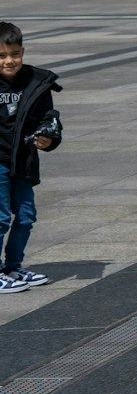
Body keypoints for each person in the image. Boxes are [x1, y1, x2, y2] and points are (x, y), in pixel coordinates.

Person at [0, 24, 62, 295]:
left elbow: (49, 118)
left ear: (23, 51)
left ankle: (13, 267)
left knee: (26, 216)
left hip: (22, 160)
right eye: (1, 56)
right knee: (0, 218)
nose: (9, 60)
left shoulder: (36, 83)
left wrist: (49, 138)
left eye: (14, 54)